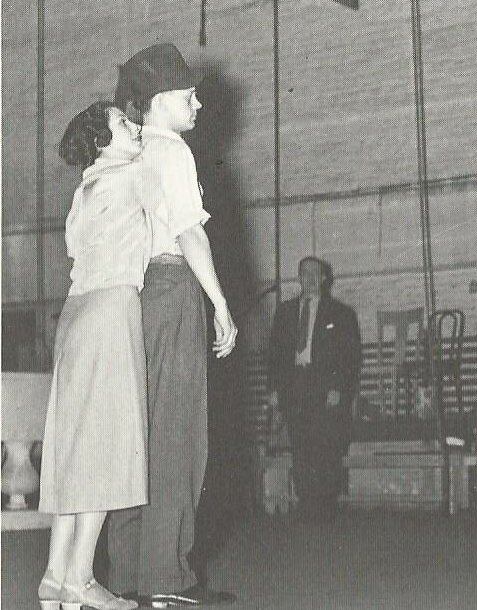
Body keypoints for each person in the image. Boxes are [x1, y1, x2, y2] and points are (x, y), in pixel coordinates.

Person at [106, 43, 238, 607]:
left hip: (133, 297)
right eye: (189, 96)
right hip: (172, 290)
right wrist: (221, 305)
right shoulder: (173, 151)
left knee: (138, 433)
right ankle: (167, 579)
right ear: (160, 102)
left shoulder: (129, 153)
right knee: (178, 434)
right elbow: (190, 234)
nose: (199, 105)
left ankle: (131, 573)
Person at [38, 102, 147, 610]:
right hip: (109, 310)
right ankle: (81, 580)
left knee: (76, 447)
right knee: (104, 446)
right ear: (102, 141)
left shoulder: (83, 191)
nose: (135, 128)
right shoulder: (129, 177)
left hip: (75, 316)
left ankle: (56, 576)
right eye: (124, 123)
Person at [267, 257, 361, 519]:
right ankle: (305, 502)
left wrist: (338, 389)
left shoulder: (341, 314)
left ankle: (325, 504)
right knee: (300, 444)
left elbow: (350, 358)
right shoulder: (285, 312)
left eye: (314, 273)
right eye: (303, 273)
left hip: (324, 388)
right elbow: (274, 355)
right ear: (298, 277)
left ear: (323, 278)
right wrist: (273, 390)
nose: (308, 278)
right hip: (294, 386)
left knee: (325, 444)